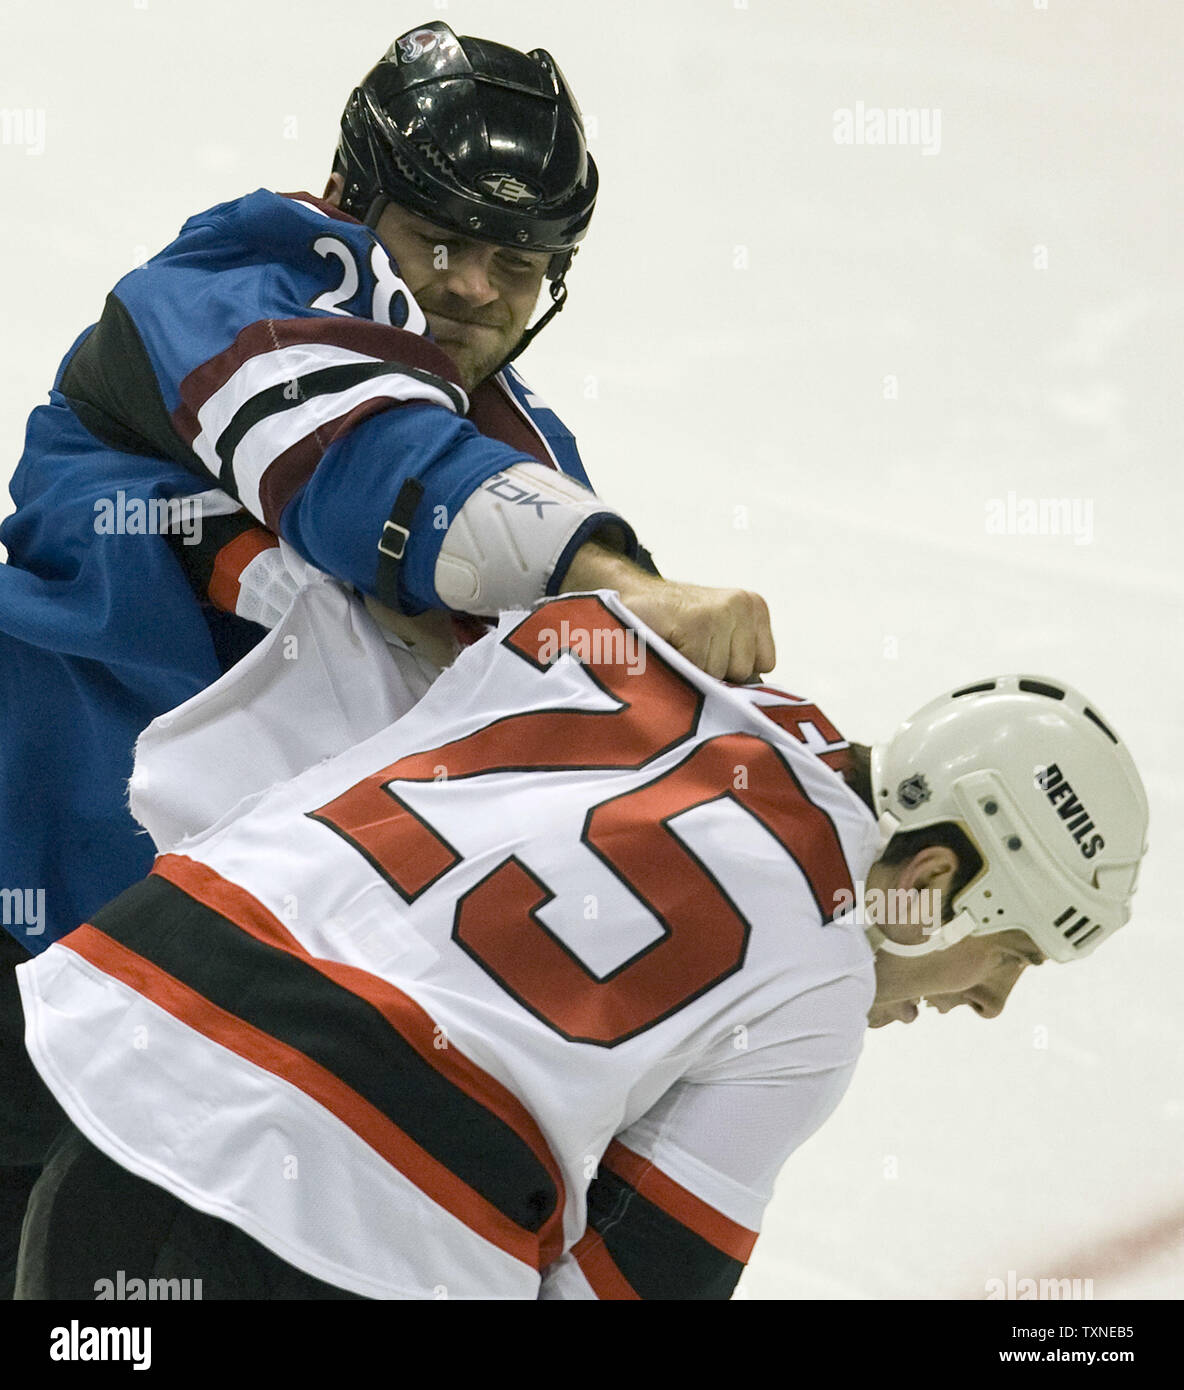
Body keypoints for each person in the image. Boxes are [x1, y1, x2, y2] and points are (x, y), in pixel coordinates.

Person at [0, 21, 774, 1289]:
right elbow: (362, 461)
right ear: (356, 203)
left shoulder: (528, 459)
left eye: (517, 261)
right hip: (23, 864)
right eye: (440, 237)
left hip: (178, 992)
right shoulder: (241, 282)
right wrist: (617, 585)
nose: (476, 285)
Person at [12, 586, 1149, 1299]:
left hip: (93, 1036)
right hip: (323, 1237)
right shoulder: (820, 972)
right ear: (940, 881)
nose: (989, 1003)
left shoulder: (603, 632)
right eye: (1011, 958)